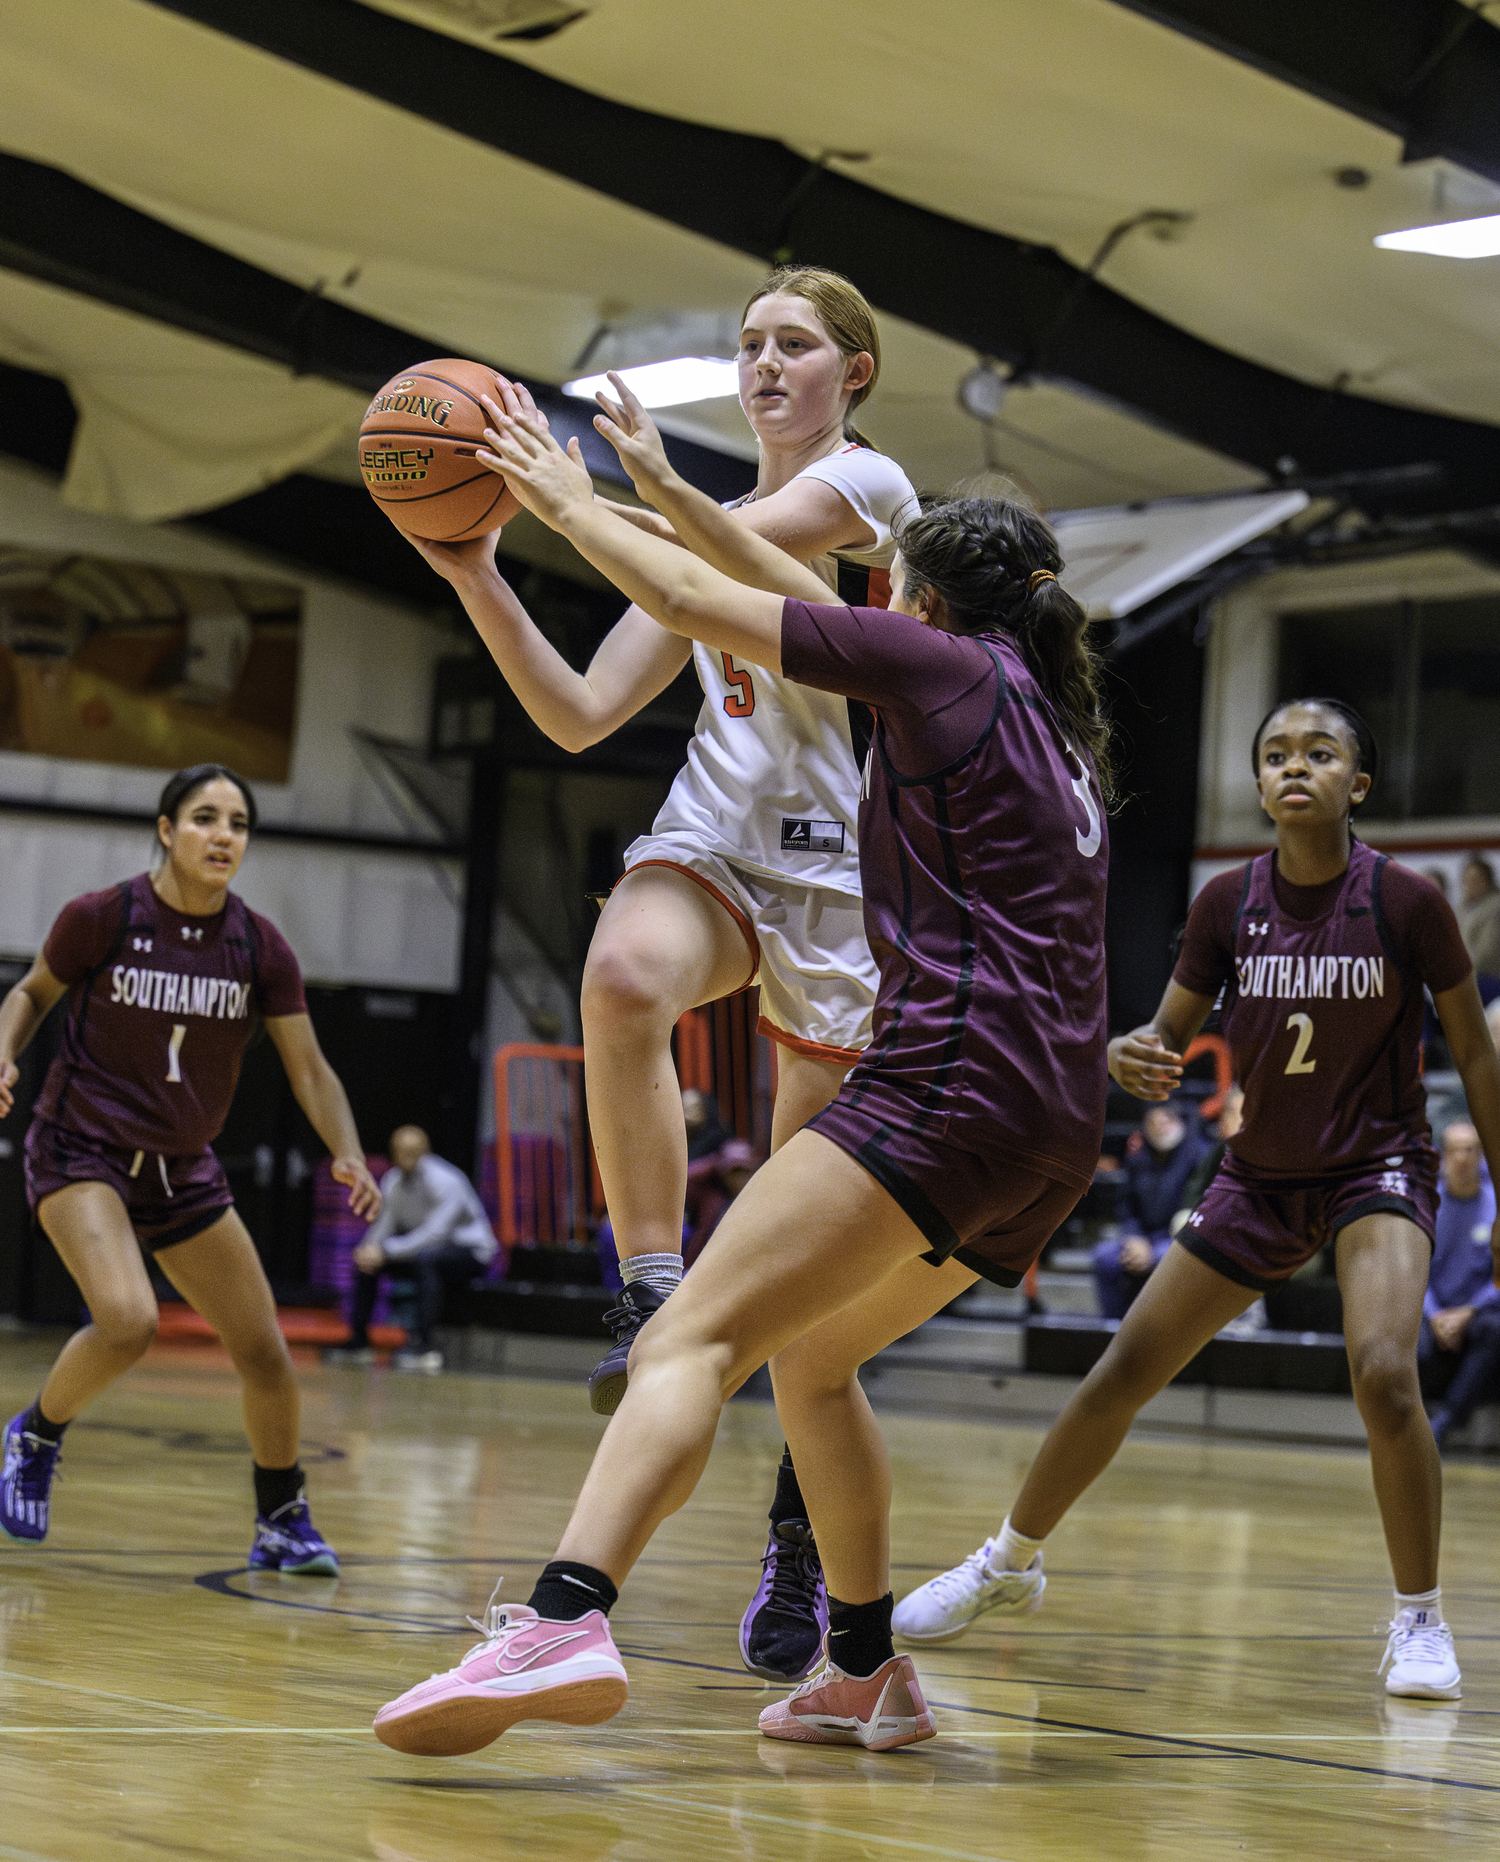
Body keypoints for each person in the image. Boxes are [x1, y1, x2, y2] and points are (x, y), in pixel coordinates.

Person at [368, 370, 1111, 1757]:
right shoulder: (1046, 716)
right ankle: (867, 1670)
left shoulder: (932, 665)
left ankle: (562, 1614)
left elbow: (719, 606)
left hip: (949, 1084)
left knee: (692, 1336)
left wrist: (566, 498)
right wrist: (641, 494)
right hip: (1051, 1128)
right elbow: (753, 581)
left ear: (919, 597)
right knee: (815, 1359)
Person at [402, 267, 915, 1684]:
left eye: (792, 346)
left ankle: (804, 1541)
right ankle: (643, 1288)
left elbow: (706, 552)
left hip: (849, 889)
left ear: (851, 374)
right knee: (625, 974)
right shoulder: (694, 530)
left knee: (806, 1309)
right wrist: (481, 566)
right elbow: (574, 713)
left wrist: (559, 493)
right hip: (718, 840)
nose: (763, 364)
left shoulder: (870, 489)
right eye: (747, 344)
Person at [892, 699, 1500, 1704]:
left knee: (1387, 1373)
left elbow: (1473, 1047)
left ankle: (1420, 1616)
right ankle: (1007, 1562)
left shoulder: (1406, 903)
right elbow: (1161, 1046)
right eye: (1274, 754)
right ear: (1258, 783)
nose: (1293, 766)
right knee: (1124, 1363)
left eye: (1320, 751)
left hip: (1375, 1166)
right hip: (1256, 1176)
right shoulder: (1226, 903)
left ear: (1360, 783)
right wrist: (1132, 1053)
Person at [0, 764, 380, 1568]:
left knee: (265, 1351)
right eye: (205, 818)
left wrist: (346, 1148)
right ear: (167, 831)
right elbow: (31, 994)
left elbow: (309, 1069)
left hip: (183, 1166)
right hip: (81, 1148)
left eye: (237, 823)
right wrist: (3, 1053)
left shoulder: (256, 944)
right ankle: (35, 1435)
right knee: (129, 1321)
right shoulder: (103, 917)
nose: (223, 836)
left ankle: (281, 1518)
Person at [324, 1124, 496, 1374]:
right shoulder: (392, 1181)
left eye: (414, 1151)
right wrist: (369, 1250)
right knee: (369, 1262)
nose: (407, 1157)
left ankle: (424, 1345)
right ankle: (359, 1341)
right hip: (421, 1251)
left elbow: (436, 1234)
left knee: (427, 1260)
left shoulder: (448, 1180)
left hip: (468, 1252)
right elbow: (385, 1224)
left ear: (426, 1151)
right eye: (401, 1151)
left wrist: (386, 1251)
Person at [1091, 1097, 1212, 1318]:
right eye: (1153, 1123)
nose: (1160, 1127)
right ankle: (1113, 1330)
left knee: (1164, 1257)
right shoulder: (1138, 1159)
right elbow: (1126, 1206)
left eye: (1166, 1121)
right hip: (1143, 1238)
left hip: (1180, 1240)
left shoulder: (1200, 1156)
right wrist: (1133, 1237)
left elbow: (1203, 1209)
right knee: (1104, 1257)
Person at [1420, 1120, 1500, 1448]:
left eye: (1471, 1150)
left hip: (1478, 1312)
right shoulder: (1425, 1205)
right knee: (1403, 1343)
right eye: (1454, 1150)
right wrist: (1435, 1315)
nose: (1462, 1158)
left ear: (1482, 1155)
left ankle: (1446, 1421)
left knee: (1496, 1330)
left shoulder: (1496, 1207)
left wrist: (1467, 1313)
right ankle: (1406, 1430)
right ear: (1442, 1156)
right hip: (1432, 1311)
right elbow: (1413, 1272)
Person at [1457, 855, 1500, 995]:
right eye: (1467, 880)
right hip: (1464, 974)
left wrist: (1459, 970)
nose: (1470, 884)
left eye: (1475, 880)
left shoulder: (1495, 907)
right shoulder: (1460, 908)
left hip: (1488, 976)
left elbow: (1488, 952)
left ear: (1487, 881)